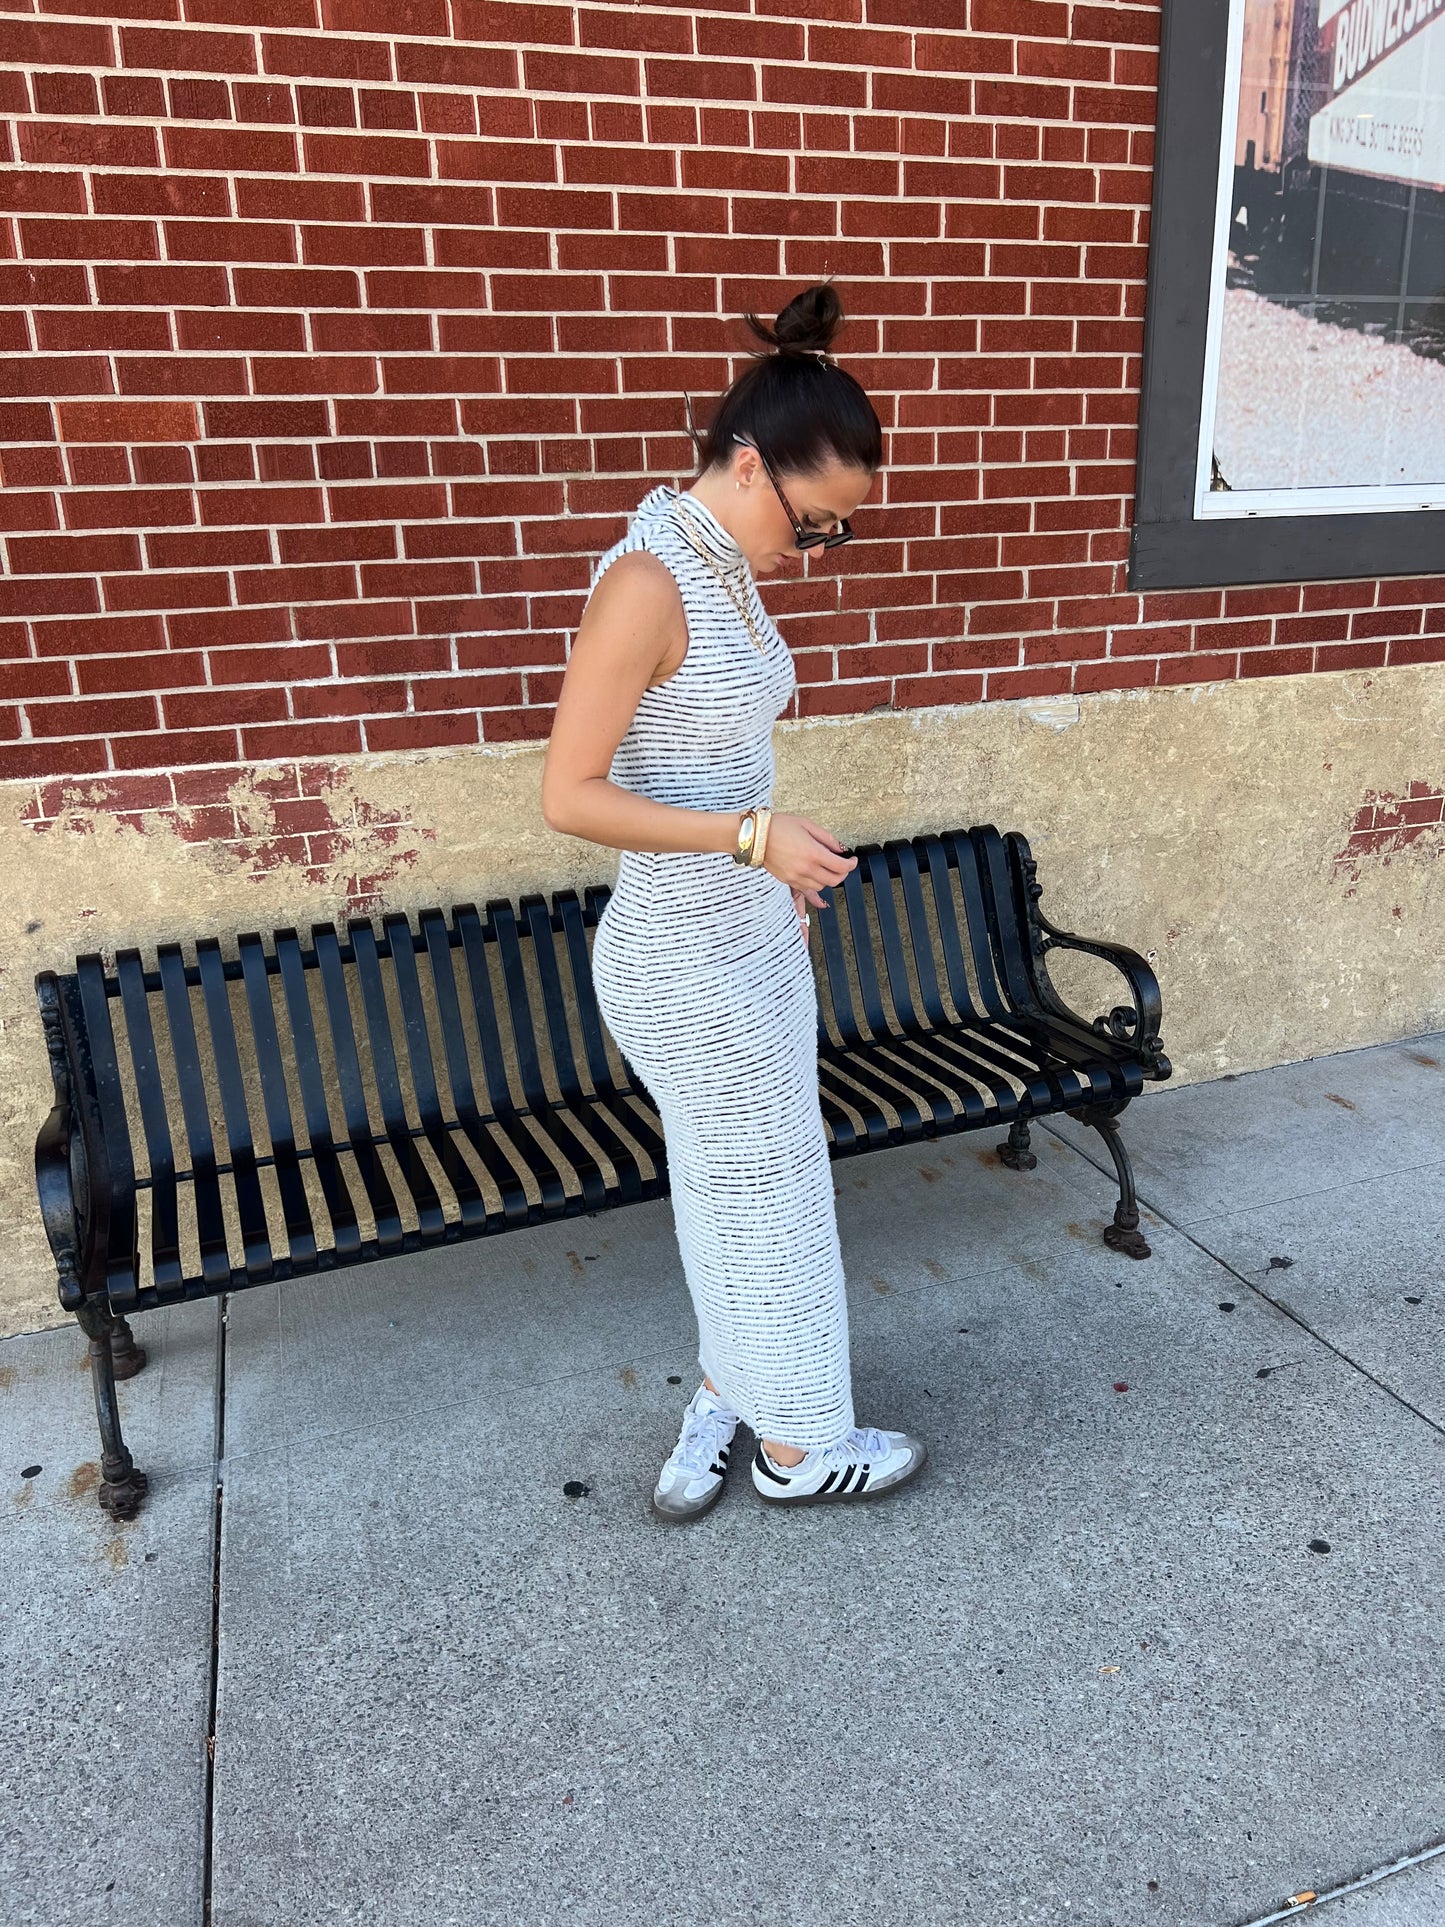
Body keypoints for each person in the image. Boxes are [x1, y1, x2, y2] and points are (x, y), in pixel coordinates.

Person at [541, 284, 928, 1522]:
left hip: (743, 937)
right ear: (753, 466)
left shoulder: (721, 565)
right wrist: (750, 838)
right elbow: (568, 795)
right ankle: (800, 1446)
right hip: (680, 961)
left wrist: (771, 863)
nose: (811, 555)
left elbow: (705, 753)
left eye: (831, 537)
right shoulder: (650, 581)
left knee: (735, 1188)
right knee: (768, 1196)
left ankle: (727, 1387)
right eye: (814, 525)